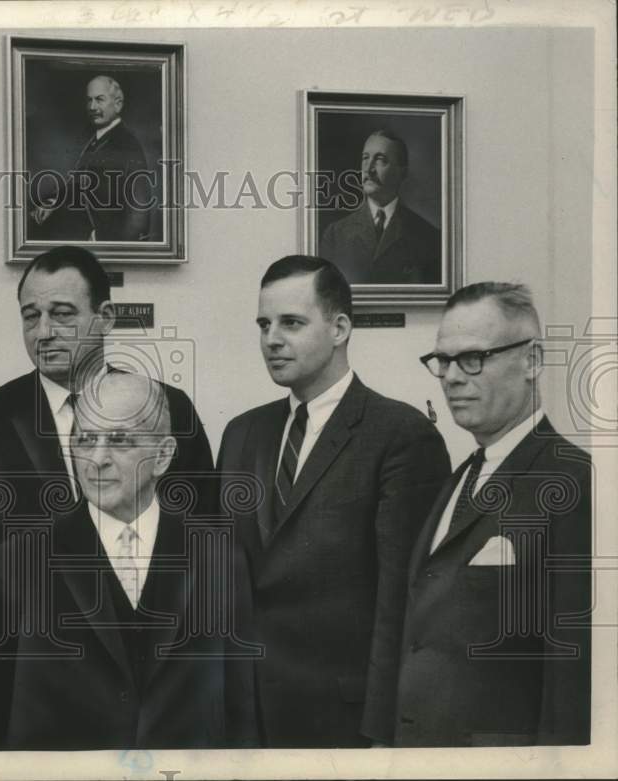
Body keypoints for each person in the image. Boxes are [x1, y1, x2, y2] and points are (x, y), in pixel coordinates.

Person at [0, 245, 214, 715]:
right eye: (30, 316)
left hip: (154, 661)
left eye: (62, 314)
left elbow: (202, 530)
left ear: (105, 317)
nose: (43, 332)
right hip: (36, 668)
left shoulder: (169, 406)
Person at [216, 255, 450, 747]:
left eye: (291, 323)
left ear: (340, 327)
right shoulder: (242, 433)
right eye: (264, 324)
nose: (271, 339)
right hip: (242, 720)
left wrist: (385, 733)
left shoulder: (400, 435)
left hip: (344, 724)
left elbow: (403, 601)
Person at [0, 373, 248, 749]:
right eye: (85, 439)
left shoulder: (220, 557)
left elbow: (242, 711)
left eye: (119, 440)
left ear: (163, 455)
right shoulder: (15, 563)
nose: (96, 459)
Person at [395, 282, 591, 746]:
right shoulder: (460, 476)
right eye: (442, 361)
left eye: (473, 358)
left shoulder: (575, 483)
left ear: (532, 361)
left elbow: (574, 680)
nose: (452, 377)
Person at [30, 75, 153, 242]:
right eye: (89, 100)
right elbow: (79, 182)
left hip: (104, 243)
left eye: (99, 100)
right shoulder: (97, 139)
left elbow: (139, 210)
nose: (92, 107)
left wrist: (104, 239)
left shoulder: (127, 143)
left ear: (118, 104)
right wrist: (52, 202)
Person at [320, 129, 441, 285]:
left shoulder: (429, 237)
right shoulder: (334, 235)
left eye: (381, 159)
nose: (368, 169)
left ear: (402, 172)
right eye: (365, 158)